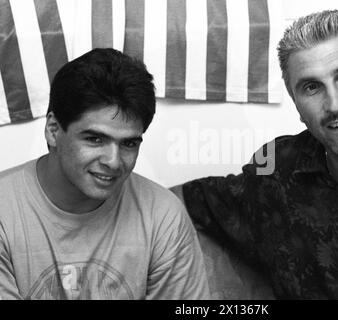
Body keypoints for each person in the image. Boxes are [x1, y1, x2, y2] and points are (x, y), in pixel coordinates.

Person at [171, 10, 338, 299]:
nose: (335, 104)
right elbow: (175, 202)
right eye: (312, 87)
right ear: (297, 105)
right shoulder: (275, 170)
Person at [0, 48, 209, 300]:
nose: (113, 161)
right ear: (53, 130)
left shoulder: (162, 216)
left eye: (129, 144)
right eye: (95, 139)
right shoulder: (5, 211)